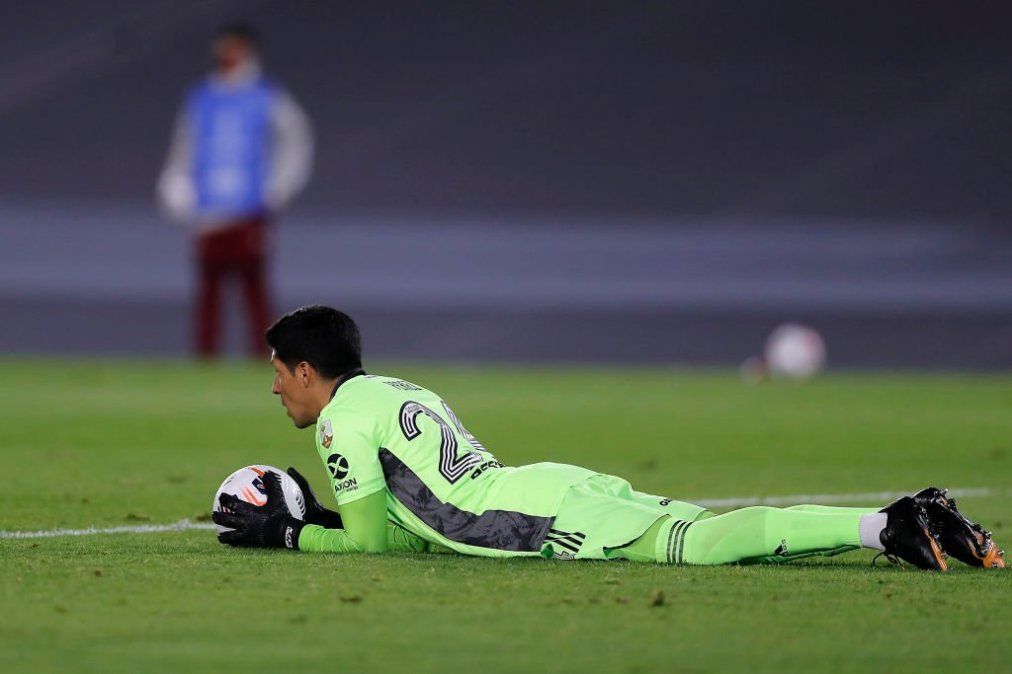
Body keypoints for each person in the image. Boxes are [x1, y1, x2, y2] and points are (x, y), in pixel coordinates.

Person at [212, 306, 1004, 571]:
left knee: (703, 548)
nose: (275, 386)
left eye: (280, 370)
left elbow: (378, 548)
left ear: (309, 370)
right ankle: (895, 518)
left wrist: (289, 534)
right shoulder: (391, 389)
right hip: (544, 485)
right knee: (712, 531)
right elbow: (420, 521)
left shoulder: (339, 423)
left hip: (542, 518)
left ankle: (888, 525)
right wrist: (322, 523)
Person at [158, 23, 313, 358]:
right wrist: (175, 183)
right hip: (208, 210)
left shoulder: (266, 96)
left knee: (254, 291)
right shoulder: (203, 97)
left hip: (249, 210)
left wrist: (279, 187)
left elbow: (297, 139)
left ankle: (266, 361)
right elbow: (185, 145)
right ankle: (206, 361)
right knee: (208, 292)